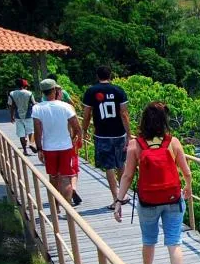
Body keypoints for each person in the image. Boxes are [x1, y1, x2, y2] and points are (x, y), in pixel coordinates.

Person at [113, 102, 193, 264]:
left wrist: (118, 201)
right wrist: (188, 187)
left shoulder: (135, 145)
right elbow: (186, 171)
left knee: (149, 240)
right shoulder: (172, 142)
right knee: (174, 242)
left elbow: (127, 176)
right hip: (173, 199)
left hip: (148, 201)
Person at [82, 65, 132, 209]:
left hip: (102, 135)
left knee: (109, 167)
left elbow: (87, 115)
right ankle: (123, 195)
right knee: (121, 163)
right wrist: (129, 134)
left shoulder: (91, 91)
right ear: (110, 76)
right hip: (119, 133)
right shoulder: (118, 91)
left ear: (97, 76)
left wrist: (84, 130)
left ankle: (116, 198)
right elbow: (124, 114)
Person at [32, 79, 82, 203]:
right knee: (66, 178)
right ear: (54, 90)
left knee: (53, 178)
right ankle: (68, 210)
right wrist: (72, 138)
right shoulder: (65, 106)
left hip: (48, 148)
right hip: (65, 147)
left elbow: (38, 132)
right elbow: (77, 127)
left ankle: (56, 208)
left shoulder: (37, 108)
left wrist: (39, 149)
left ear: (43, 92)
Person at [47, 72, 82, 206]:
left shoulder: (43, 106)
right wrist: (77, 138)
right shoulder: (68, 107)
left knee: (55, 174)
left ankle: (56, 202)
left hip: (50, 145)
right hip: (68, 143)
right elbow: (76, 127)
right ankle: (72, 189)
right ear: (58, 93)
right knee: (72, 170)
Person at [8, 78, 36, 155]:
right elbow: (33, 104)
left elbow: (12, 106)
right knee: (31, 131)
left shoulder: (12, 93)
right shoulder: (29, 93)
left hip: (18, 116)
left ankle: (25, 150)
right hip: (28, 115)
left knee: (21, 134)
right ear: (24, 86)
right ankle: (31, 143)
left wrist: (11, 116)